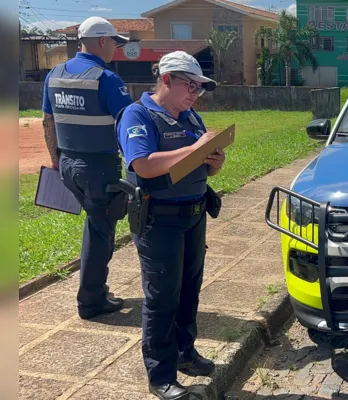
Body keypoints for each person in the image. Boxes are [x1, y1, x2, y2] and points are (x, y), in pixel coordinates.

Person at [115, 51, 225, 400]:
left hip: (193, 215)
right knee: (162, 299)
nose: (195, 93)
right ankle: (160, 375)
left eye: (200, 88)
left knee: (189, 291)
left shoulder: (190, 116)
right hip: (158, 221)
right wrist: (196, 147)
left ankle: (184, 353)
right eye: (190, 85)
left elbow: (203, 168)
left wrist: (214, 160)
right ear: (165, 79)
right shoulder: (138, 114)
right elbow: (144, 164)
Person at [42, 16, 133, 320]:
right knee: (100, 230)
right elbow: (129, 124)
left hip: (68, 164)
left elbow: (48, 120)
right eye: (115, 44)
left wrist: (56, 161)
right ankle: (92, 299)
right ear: (104, 41)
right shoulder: (106, 79)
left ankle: (96, 289)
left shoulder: (54, 74)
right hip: (99, 169)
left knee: (96, 225)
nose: (116, 51)